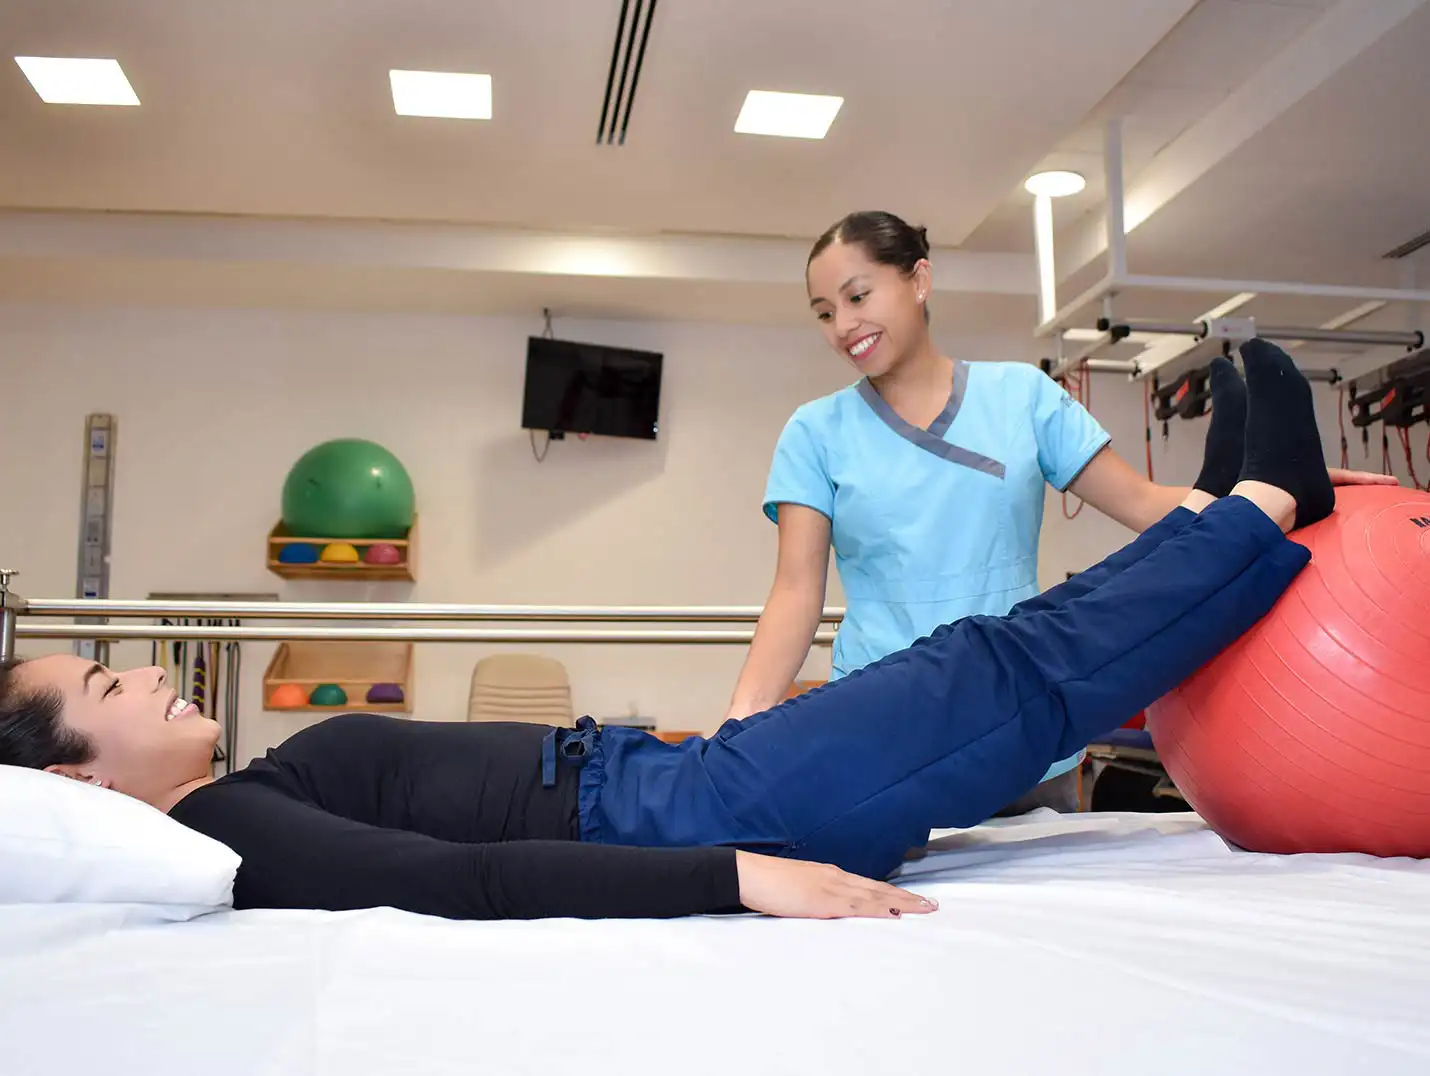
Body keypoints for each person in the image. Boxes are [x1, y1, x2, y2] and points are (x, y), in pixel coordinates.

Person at [0, 341, 1369, 923]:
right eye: (115, 676)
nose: (161, 673)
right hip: (685, 816)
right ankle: (1253, 507)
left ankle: (1228, 513)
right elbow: (448, 886)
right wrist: (738, 877)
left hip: (661, 778)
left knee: (980, 664)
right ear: (75, 778)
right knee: (991, 673)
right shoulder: (227, 833)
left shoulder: (236, 796)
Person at [727, 210, 1398, 811]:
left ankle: (1265, 489)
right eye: (823, 312)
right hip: (883, 729)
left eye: (857, 295)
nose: (843, 326)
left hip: (1026, 726)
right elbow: (795, 591)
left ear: (919, 279)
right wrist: (740, 729)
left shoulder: (1020, 396)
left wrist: (1279, 487)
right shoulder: (815, 432)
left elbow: (1145, 507)